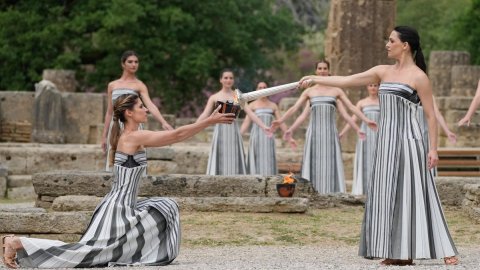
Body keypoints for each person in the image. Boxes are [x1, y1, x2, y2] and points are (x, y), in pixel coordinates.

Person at [0, 94, 236, 268]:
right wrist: (209, 122)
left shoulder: (133, 134)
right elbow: (175, 135)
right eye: (142, 107)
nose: (146, 110)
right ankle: (17, 242)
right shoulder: (132, 137)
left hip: (125, 207)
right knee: (81, 255)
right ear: (129, 113)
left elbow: (177, 133)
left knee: (167, 206)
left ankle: (137, 253)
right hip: (116, 210)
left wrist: (208, 119)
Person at [299, 26, 458, 266]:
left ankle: (445, 248)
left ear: (405, 45)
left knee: (418, 193)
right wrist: (315, 79)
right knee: (386, 196)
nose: (387, 44)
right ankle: (397, 252)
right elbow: (347, 81)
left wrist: (433, 148)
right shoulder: (382, 71)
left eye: (391, 40)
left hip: (409, 141)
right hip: (385, 143)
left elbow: (430, 116)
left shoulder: (419, 77)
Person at [272, 60, 377, 194]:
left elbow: (350, 107)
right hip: (314, 132)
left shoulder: (336, 91)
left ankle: (332, 192)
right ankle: (311, 191)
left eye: (325, 68)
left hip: (330, 133)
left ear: (328, 71)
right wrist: (281, 120)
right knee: (313, 161)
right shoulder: (309, 92)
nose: (322, 71)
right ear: (316, 71)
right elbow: (295, 109)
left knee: (330, 161)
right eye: (320, 68)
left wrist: (366, 120)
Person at [101, 50, 173, 172]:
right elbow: (109, 111)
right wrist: (104, 136)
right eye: (130, 62)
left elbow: (150, 105)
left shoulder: (139, 85)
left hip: (133, 126)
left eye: (136, 62)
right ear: (123, 64)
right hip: (116, 127)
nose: (134, 64)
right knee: (115, 160)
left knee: (135, 159)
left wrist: (163, 122)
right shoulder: (112, 85)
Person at [197, 69, 271, 175]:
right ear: (221, 80)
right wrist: (193, 126)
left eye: (231, 78)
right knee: (220, 157)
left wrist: (264, 126)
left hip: (233, 131)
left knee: (234, 158)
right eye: (226, 78)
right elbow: (205, 114)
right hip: (220, 132)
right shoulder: (214, 97)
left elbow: (250, 113)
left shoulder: (238, 96)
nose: (228, 80)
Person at [240, 81, 297, 175]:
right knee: (256, 158)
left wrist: (289, 138)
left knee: (268, 158)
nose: (262, 90)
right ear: (256, 90)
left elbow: (281, 122)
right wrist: (238, 136)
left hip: (268, 137)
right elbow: (246, 123)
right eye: (260, 88)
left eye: (264, 87)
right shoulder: (252, 105)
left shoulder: (273, 105)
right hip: (256, 137)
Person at [338, 83, 380, 195]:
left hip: (379, 136)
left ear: (379, 87)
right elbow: (353, 119)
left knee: (378, 161)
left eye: (375, 85)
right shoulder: (361, 103)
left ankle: (378, 189)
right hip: (365, 136)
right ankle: (363, 190)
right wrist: (342, 133)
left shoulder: (383, 102)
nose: (373, 88)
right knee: (364, 161)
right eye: (370, 85)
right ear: (367, 87)